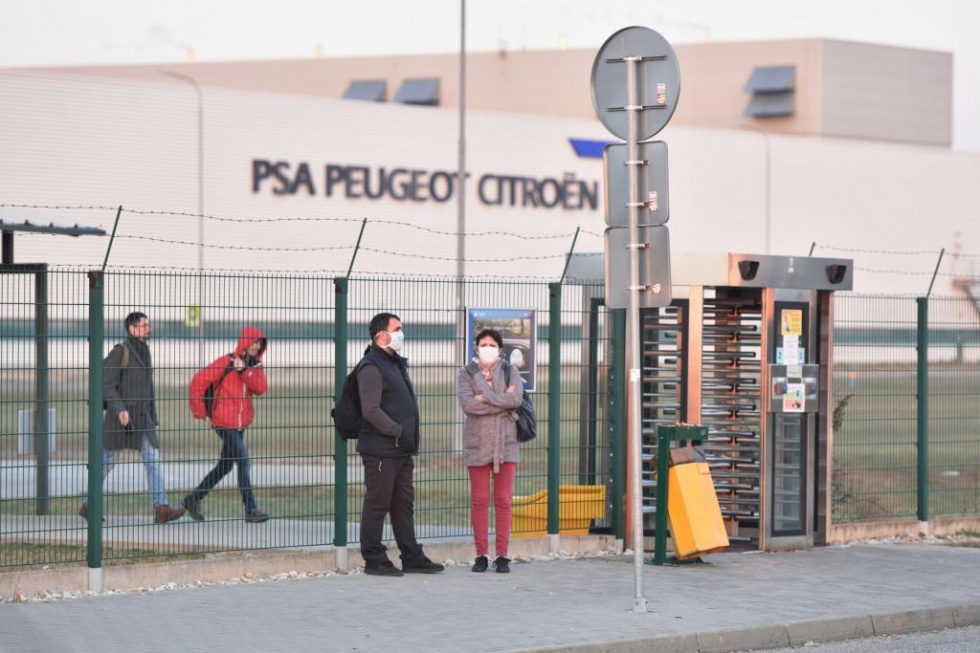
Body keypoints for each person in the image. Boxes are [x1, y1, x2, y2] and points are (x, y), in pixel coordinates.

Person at [355, 312, 444, 577]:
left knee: (403, 503)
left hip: (401, 449)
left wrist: (404, 436)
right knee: (378, 503)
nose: (401, 333)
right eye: (397, 329)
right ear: (381, 335)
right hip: (382, 450)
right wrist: (396, 430)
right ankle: (374, 558)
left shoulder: (394, 363)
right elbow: (370, 410)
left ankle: (412, 556)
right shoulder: (371, 366)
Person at [80, 312, 186, 524]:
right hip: (120, 420)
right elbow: (107, 384)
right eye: (145, 325)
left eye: (149, 324)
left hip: (142, 419)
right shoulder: (120, 352)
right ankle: (88, 505)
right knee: (105, 463)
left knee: (153, 460)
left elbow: (148, 388)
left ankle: (161, 508)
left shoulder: (145, 351)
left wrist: (153, 416)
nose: (150, 328)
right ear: (132, 329)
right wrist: (119, 409)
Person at [183, 326, 270, 523]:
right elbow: (198, 381)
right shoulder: (226, 361)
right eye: (254, 343)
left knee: (225, 466)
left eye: (259, 344)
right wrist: (200, 411)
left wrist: (244, 371)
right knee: (243, 459)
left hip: (240, 424)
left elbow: (260, 389)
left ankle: (193, 498)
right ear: (245, 343)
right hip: (223, 421)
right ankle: (251, 508)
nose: (256, 347)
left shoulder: (255, 367)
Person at [456, 328, 523, 573]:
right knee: (480, 501)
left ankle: (502, 555)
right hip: (477, 444)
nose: (487, 348)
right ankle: (481, 554)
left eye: (492, 344)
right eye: (483, 344)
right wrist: (499, 400)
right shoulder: (465, 373)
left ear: (500, 349)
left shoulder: (510, 370)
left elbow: (516, 400)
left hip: (506, 443)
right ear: (475, 347)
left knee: (504, 500)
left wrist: (484, 397)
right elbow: (467, 404)